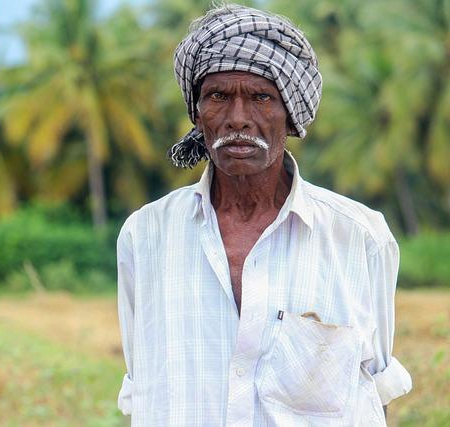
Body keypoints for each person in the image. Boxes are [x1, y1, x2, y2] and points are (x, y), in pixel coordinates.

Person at [116, 4, 412, 426]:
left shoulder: (360, 236)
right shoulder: (146, 235)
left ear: (290, 113)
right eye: (219, 96)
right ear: (197, 112)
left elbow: (374, 391)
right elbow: (142, 386)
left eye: (261, 98)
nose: (239, 119)